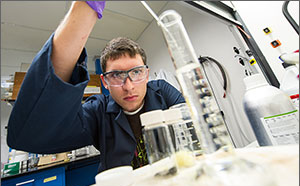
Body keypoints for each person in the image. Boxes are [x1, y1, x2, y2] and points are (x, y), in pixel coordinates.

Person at [7, 1, 185, 172]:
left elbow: (195, 124)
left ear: (146, 74)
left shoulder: (163, 92)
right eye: (116, 75)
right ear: (105, 82)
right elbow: (29, 135)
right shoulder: (98, 111)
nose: (128, 86)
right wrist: (86, 7)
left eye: (136, 72)